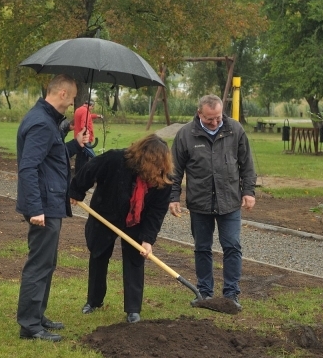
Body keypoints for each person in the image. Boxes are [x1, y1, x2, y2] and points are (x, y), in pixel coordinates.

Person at [69, 134, 173, 323]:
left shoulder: (162, 179)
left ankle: (133, 309)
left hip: (136, 221)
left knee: (135, 259)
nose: (157, 170)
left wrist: (148, 240)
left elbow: (156, 213)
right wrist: (76, 191)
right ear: (144, 159)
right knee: (98, 254)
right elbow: (89, 170)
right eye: (154, 165)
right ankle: (94, 301)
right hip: (105, 213)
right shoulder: (115, 159)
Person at [16, 74, 89, 342]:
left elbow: (51, 156)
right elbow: (28, 167)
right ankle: (30, 326)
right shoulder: (42, 124)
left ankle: (37, 315)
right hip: (43, 206)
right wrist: (36, 209)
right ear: (61, 94)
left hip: (50, 202)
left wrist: (75, 144)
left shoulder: (47, 122)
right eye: (71, 100)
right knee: (39, 264)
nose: (71, 105)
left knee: (47, 262)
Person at [169, 95, 256, 311]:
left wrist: (249, 192)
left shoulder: (234, 130)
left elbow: (247, 164)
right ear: (199, 114)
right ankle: (204, 293)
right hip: (199, 203)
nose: (215, 123)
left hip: (230, 202)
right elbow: (174, 170)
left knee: (232, 246)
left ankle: (231, 295)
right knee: (202, 248)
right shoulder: (185, 135)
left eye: (218, 117)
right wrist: (173, 197)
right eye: (210, 119)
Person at [73, 100, 102, 174]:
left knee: (79, 157)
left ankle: (77, 173)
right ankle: (83, 174)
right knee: (85, 158)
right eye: (92, 107)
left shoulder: (79, 109)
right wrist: (87, 132)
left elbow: (88, 116)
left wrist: (97, 116)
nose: (92, 109)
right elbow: (83, 125)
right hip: (84, 138)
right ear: (91, 105)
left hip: (78, 137)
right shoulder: (85, 111)